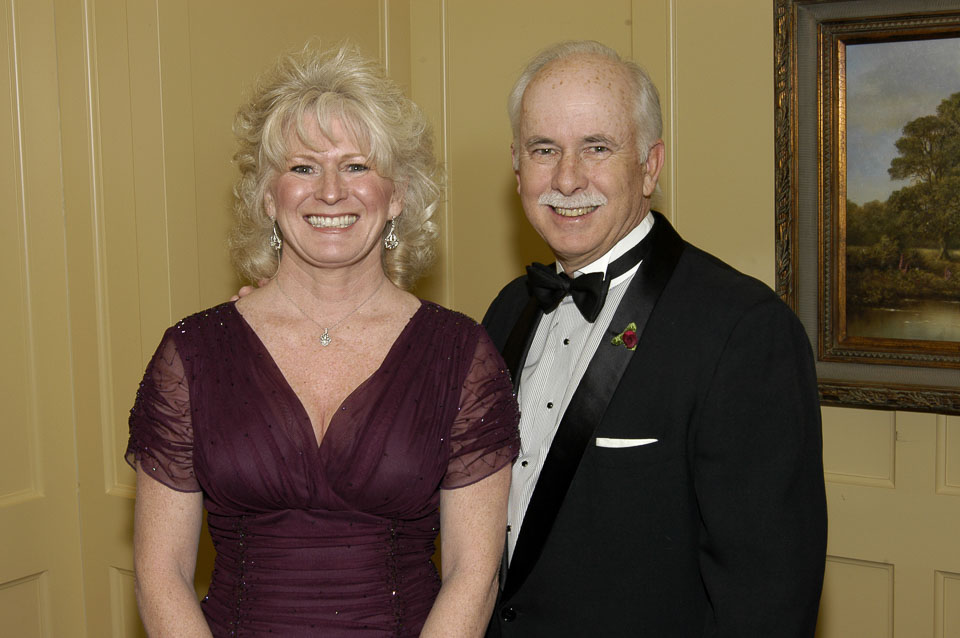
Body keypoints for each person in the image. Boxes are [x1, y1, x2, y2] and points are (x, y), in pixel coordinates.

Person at [126, 43, 519, 637]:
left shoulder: (461, 356)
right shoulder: (193, 354)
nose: (330, 191)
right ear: (267, 195)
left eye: (357, 166)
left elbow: (474, 573)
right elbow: (161, 573)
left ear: (398, 194)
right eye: (302, 168)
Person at [481, 41, 827, 637]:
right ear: (517, 167)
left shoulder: (744, 329)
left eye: (597, 147)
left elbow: (769, 597)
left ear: (650, 165)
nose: (567, 178)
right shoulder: (508, 310)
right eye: (544, 149)